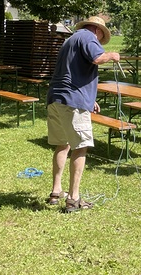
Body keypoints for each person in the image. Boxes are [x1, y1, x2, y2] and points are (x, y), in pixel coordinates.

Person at [46, 16, 120, 212]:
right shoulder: (88, 37)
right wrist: (112, 55)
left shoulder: (70, 40)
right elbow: (97, 58)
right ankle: (73, 199)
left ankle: (56, 191)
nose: (100, 41)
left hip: (56, 98)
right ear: (98, 30)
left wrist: (89, 99)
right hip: (72, 101)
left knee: (63, 144)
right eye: (101, 37)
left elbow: (72, 71)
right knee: (80, 147)